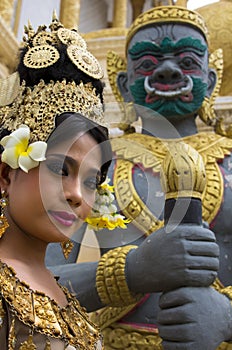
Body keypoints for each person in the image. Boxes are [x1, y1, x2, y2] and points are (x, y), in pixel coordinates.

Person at [46, 5, 232, 350]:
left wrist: (227, 316)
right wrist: (131, 271)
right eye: (146, 62)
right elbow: (29, 281)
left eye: (188, 60)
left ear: (211, 79)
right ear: (123, 84)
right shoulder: (92, 164)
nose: (166, 69)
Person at [0, 12, 131, 349]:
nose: (76, 195)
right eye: (61, 169)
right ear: (6, 174)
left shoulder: (63, 292)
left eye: (91, 182)